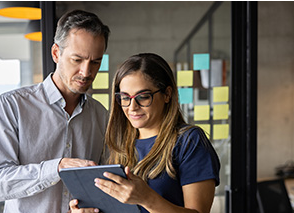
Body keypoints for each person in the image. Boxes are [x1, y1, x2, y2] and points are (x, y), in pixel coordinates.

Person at [0, 9, 110, 213]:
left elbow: (102, 186)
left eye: (95, 62)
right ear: (56, 53)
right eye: (77, 60)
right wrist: (57, 168)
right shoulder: (12, 106)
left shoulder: (101, 115)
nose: (86, 72)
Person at [69, 53, 220, 213]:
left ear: (167, 94)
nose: (132, 107)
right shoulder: (117, 143)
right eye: (125, 97)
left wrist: (146, 198)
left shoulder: (189, 141)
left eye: (143, 97)